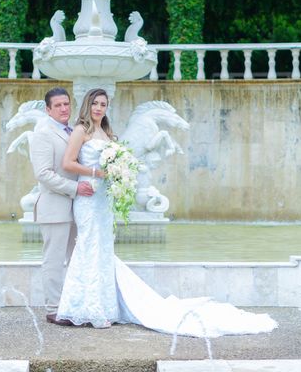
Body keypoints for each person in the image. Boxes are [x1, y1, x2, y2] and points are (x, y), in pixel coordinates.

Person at [56, 88, 278, 337]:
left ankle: (103, 307)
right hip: (88, 197)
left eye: (103, 104)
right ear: (87, 105)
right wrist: (98, 173)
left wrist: (118, 173)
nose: (98, 108)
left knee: (103, 249)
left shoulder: (106, 133)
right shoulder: (80, 131)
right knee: (88, 246)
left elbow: (114, 162)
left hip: (104, 201)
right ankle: (83, 309)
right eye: (95, 103)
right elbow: (68, 162)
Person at [29, 87, 94, 326]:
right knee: (54, 261)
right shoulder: (43, 133)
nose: (64, 109)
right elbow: (43, 174)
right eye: (58, 105)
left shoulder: (74, 130)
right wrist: (76, 189)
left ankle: (75, 304)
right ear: (48, 109)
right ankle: (53, 309)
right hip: (54, 208)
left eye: (66, 104)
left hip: (78, 208)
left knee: (77, 259)